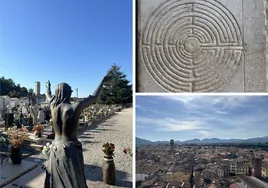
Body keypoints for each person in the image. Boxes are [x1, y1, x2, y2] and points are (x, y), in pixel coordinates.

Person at [43, 76, 110, 188]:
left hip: (54, 149)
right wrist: (102, 82)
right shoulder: (74, 107)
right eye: (70, 92)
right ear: (68, 93)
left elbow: (48, 95)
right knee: (74, 181)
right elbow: (93, 98)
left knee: (55, 182)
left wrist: (47, 88)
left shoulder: (53, 105)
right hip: (70, 150)